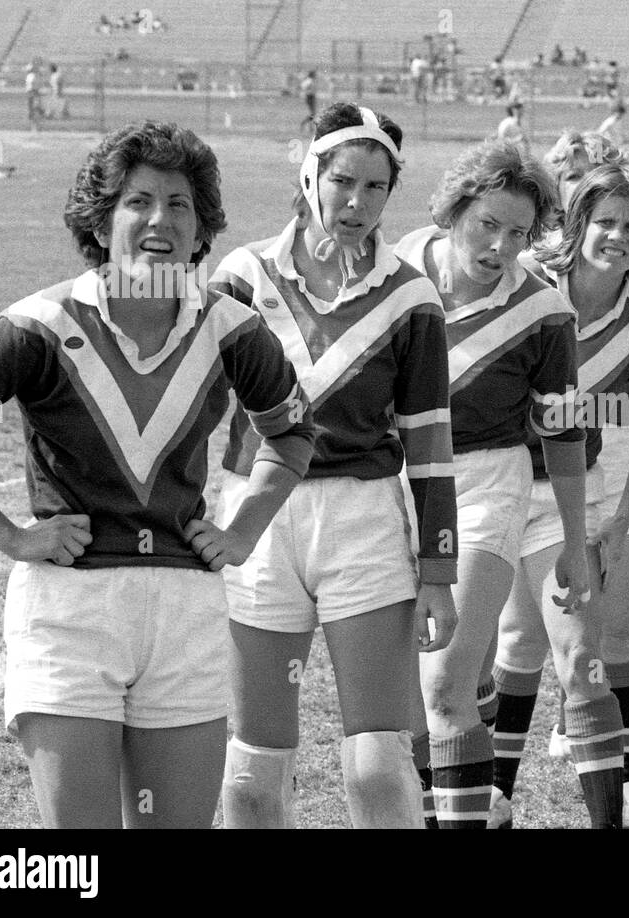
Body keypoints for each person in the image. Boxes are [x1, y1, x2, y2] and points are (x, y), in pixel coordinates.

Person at [0, 121, 316, 828]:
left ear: (202, 224)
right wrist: (11, 538)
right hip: (70, 610)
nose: (160, 220)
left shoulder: (232, 328)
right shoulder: (36, 326)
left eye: (180, 204)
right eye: (138, 200)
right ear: (102, 217)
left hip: (186, 611)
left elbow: (293, 434)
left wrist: (240, 534)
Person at [208, 104, 456, 829]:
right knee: (252, 778)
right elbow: (193, 411)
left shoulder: (412, 296)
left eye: (376, 187)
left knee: (379, 767)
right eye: (342, 181)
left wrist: (439, 572)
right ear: (310, 175)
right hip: (255, 521)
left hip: (363, 520)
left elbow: (430, 444)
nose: (356, 202)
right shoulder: (242, 275)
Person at [394, 141, 590, 828]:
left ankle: (466, 809)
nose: (500, 245)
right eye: (486, 224)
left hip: (483, 488)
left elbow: (564, 438)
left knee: (443, 681)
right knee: (410, 698)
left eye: (517, 233)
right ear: (454, 211)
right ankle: (470, 806)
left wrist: (576, 539)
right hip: (390, 487)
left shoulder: (545, 315)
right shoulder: (394, 274)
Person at [491, 162, 629, 828]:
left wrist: (615, 524)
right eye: (604, 221)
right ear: (577, 224)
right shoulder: (529, 286)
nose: (618, 236)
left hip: (601, 486)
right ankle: (494, 797)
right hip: (511, 477)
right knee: (517, 640)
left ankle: (623, 794)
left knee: (611, 640)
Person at [24, 63, 42, 132]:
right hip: (33, 93)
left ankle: (34, 127)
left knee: (33, 110)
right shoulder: (33, 76)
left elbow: (32, 86)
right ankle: (35, 127)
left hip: (32, 94)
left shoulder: (30, 76)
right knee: (34, 110)